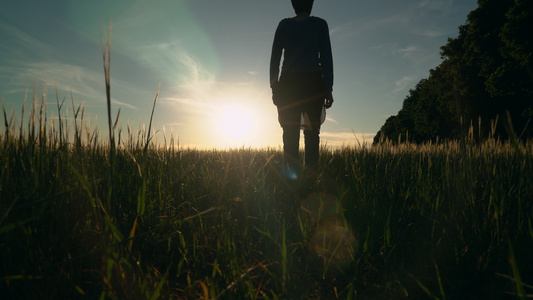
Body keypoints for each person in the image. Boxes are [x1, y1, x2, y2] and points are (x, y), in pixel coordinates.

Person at [270, 0, 334, 181]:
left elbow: (274, 59)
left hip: (289, 85)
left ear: (293, 4)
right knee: (312, 133)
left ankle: (292, 183)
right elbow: (326, 57)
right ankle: (310, 181)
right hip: (313, 84)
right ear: (311, 3)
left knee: (289, 134)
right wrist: (328, 87)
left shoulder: (284, 25)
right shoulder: (320, 24)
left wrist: (274, 87)